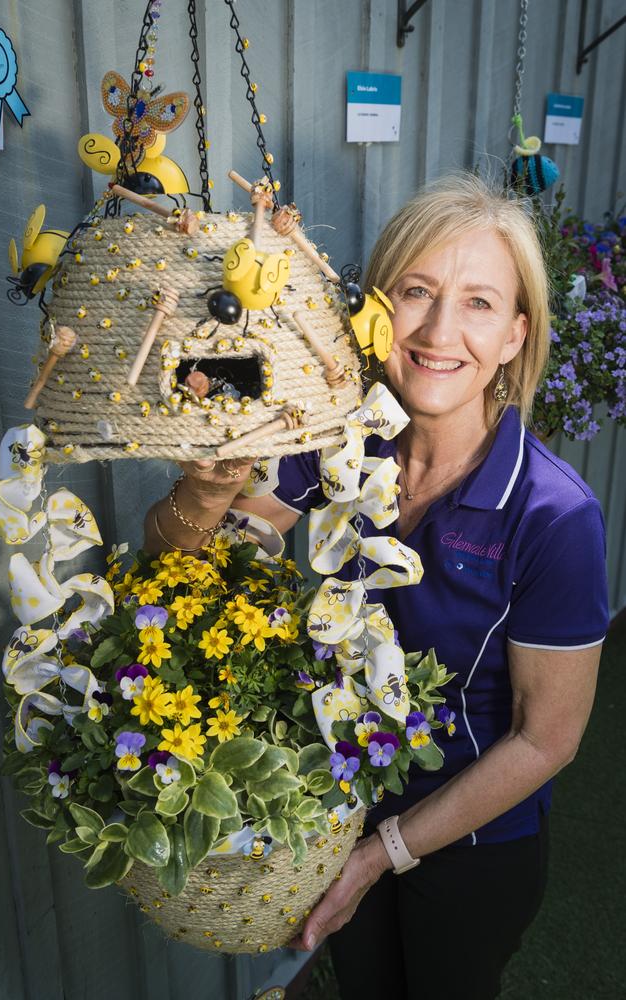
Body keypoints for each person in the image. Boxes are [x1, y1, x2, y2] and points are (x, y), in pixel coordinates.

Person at [144, 173, 609, 1000]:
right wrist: (205, 495)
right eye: (417, 292)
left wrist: (379, 854)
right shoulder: (328, 437)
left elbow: (549, 739)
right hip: (342, 815)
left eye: (478, 303)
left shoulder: (553, 514)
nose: (437, 331)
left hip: (473, 849)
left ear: (514, 335)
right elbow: (187, 561)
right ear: (378, 310)